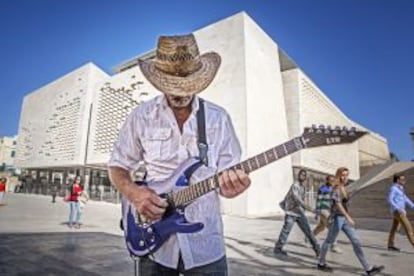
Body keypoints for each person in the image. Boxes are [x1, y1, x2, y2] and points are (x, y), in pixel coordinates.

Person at [108, 33, 251, 275]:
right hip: (155, 247)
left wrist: (232, 187)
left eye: (188, 86)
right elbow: (117, 166)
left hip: (206, 245)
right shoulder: (142, 116)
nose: (180, 93)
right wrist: (134, 193)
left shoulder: (219, 118)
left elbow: (228, 177)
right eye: (171, 86)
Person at [317, 167, 384, 275]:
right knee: (329, 241)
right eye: (343, 175)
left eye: (347, 175)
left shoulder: (343, 187)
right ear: (338, 175)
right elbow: (338, 204)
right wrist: (348, 217)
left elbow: (344, 202)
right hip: (337, 219)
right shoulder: (336, 188)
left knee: (356, 240)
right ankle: (321, 263)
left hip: (343, 219)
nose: (345, 177)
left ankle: (368, 268)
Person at [273, 169, 320, 257]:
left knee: (308, 231)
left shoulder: (303, 187)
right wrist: (311, 209)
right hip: (291, 212)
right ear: (298, 176)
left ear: (305, 177)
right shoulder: (295, 185)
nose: (302, 176)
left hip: (299, 212)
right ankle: (278, 248)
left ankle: (317, 249)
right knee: (286, 231)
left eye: (304, 175)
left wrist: (306, 209)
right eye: (301, 174)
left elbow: (303, 199)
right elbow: (298, 200)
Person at [311, 175, 342, 253]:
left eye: (333, 180)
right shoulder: (323, 188)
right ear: (327, 181)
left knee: (321, 227)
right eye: (331, 180)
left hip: (329, 210)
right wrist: (317, 212)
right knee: (332, 227)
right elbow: (319, 200)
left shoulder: (332, 189)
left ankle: (309, 237)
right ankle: (334, 246)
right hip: (323, 210)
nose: (332, 182)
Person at [387, 173, 414, 251]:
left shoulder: (400, 188)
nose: (404, 181)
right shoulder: (393, 188)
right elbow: (390, 199)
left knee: (394, 228)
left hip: (400, 211)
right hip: (398, 212)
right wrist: (397, 208)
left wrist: (413, 206)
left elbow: (405, 199)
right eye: (402, 179)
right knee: (409, 228)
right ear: (398, 180)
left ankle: (390, 245)